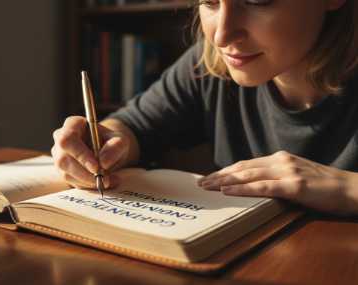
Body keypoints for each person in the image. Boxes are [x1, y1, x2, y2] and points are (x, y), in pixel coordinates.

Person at [52, 0, 358, 216]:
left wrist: (348, 189)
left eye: (257, 0)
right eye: (209, 1)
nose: (222, 36)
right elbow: (134, 127)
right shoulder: (210, 65)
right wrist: (102, 142)